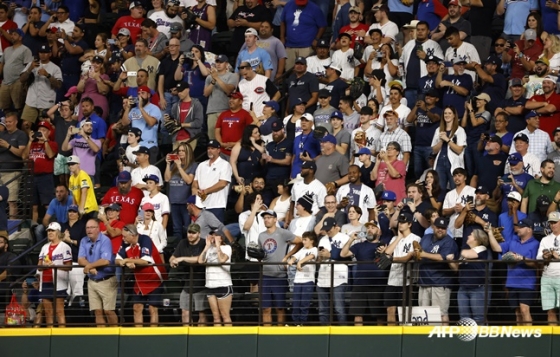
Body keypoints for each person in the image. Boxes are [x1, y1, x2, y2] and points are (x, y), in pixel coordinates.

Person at [488, 218, 539, 326]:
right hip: (512, 282)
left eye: (521, 227)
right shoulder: (513, 241)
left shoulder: (535, 244)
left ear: (529, 229)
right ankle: (520, 338)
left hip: (527, 283)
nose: (518, 229)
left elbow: (536, 264)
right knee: (517, 313)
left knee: (524, 310)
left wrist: (521, 258)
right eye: (518, 227)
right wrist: (489, 233)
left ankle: (530, 338)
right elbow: (497, 248)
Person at [116, 224, 168, 327]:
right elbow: (117, 259)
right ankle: (138, 334)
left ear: (133, 235)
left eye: (125, 236)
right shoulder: (126, 242)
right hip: (140, 280)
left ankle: (153, 334)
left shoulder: (145, 239)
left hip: (154, 278)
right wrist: (126, 263)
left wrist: (127, 260)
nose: (123, 238)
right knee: (137, 307)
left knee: (152, 308)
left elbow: (145, 261)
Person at [257, 210, 302, 325]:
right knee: (265, 308)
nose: (266, 219)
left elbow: (300, 241)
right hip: (265, 276)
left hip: (279, 276)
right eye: (265, 218)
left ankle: (279, 334)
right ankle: (267, 335)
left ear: (275, 219)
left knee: (280, 308)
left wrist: (288, 256)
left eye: (269, 217)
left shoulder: (283, 233)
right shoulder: (261, 236)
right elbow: (260, 255)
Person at [417, 217, 458, 324]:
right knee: (424, 315)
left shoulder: (449, 241)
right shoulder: (426, 238)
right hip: (424, 282)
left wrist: (424, 254)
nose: (440, 230)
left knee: (441, 314)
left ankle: (443, 338)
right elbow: (418, 253)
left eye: (443, 228)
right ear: (433, 227)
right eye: (438, 227)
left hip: (440, 283)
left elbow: (442, 258)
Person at [169, 223, 208, 325]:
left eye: (193, 233)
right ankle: (187, 334)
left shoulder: (204, 243)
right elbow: (173, 257)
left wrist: (182, 258)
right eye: (189, 232)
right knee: (185, 312)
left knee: (202, 313)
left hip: (202, 284)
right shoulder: (182, 243)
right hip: (186, 284)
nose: (191, 235)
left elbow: (200, 259)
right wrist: (173, 261)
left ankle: (200, 336)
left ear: (199, 234)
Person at [449, 228, 490, 324]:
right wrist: (450, 261)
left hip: (477, 289)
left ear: (476, 239)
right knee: (464, 319)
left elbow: (465, 253)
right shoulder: (467, 252)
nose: (468, 236)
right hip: (463, 288)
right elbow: (456, 269)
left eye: (471, 235)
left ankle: (481, 338)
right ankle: (468, 339)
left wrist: (460, 254)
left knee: (479, 319)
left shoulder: (482, 249)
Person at [20, 44, 62, 130]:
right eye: (41, 52)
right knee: (25, 125)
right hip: (31, 100)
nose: (42, 55)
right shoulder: (31, 64)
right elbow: (21, 79)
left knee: (46, 127)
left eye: (45, 52)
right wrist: (29, 69)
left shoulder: (55, 68)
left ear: (50, 54)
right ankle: (28, 143)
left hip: (46, 102)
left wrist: (48, 75)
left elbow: (59, 85)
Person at [316, 217, 350, 325]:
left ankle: (343, 335)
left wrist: (330, 255)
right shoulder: (323, 239)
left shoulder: (345, 238)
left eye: (329, 228)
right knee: (323, 310)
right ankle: (324, 334)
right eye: (326, 229)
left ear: (336, 227)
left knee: (339, 308)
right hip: (323, 277)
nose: (327, 231)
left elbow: (349, 256)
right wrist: (321, 257)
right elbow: (319, 260)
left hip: (338, 277)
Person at [23, 120, 58, 223]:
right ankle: (33, 227)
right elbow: (24, 156)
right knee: (33, 205)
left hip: (45, 176)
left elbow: (50, 155)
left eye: (44, 130)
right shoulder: (32, 144)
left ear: (49, 132)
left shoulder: (52, 143)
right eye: (39, 130)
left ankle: (52, 225)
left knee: (48, 204)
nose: (41, 132)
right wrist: (30, 141)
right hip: (32, 176)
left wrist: (45, 141)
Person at [38, 222, 72, 327]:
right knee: (48, 312)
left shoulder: (64, 247)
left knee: (59, 311)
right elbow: (39, 266)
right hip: (45, 281)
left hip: (59, 282)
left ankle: (62, 336)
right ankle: (50, 335)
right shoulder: (44, 247)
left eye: (52, 230)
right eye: (48, 231)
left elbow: (69, 266)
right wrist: (45, 266)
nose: (50, 233)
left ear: (58, 232)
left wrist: (54, 266)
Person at [198, 230, 233, 326]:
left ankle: (229, 339)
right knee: (216, 317)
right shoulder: (209, 249)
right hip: (210, 285)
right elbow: (200, 261)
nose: (213, 237)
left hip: (223, 284)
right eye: (212, 235)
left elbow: (222, 260)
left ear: (221, 238)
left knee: (225, 316)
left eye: (216, 235)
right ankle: (217, 339)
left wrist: (218, 246)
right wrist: (206, 246)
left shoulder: (227, 248)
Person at [192, 140, 233, 222]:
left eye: (212, 148)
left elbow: (223, 183)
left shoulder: (225, 164)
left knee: (215, 233)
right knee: (200, 232)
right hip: (200, 205)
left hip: (216, 204)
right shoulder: (201, 165)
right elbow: (195, 181)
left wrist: (206, 191)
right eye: (208, 148)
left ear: (218, 150)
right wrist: (194, 189)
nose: (209, 150)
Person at [120, 86, 162, 163]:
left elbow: (151, 123)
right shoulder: (134, 110)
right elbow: (124, 123)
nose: (140, 96)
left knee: (148, 172)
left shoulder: (154, 108)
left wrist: (141, 108)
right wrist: (128, 108)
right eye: (139, 94)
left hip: (150, 146)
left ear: (149, 95)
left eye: (143, 93)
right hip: (135, 147)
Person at [280, 0, 326, 70]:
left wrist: (317, 39)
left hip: (306, 46)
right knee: (289, 72)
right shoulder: (288, 5)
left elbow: (322, 25)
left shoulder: (315, 8)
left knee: (305, 71)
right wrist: (282, 37)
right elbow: (282, 21)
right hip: (289, 46)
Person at [165, 143, 197, 238]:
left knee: (187, 227)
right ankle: (177, 248)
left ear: (188, 152)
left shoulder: (193, 165)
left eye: (183, 151)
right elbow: (167, 179)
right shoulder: (173, 165)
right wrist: (168, 164)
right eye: (179, 151)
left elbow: (188, 180)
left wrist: (179, 167)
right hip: (174, 201)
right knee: (176, 228)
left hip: (185, 202)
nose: (181, 152)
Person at [432, 106, 467, 191]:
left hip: (454, 163)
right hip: (440, 162)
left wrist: (447, 140)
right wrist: (441, 141)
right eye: (445, 113)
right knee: (439, 190)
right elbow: (434, 150)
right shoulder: (438, 130)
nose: (447, 115)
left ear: (454, 115)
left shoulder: (460, 130)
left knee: (455, 189)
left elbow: (459, 150)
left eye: (449, 113)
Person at [0, 113, 28, 218]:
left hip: (12, 172)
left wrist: (7, 146)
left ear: (16, 122)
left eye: (10, 122)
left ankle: (12, 228)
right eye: (6, 122)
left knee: (11, 201)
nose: (7, 124)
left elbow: (22, 153)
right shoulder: (2, 134)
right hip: (0, 171)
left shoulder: (21, 135)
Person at [203, 54, 238, 141]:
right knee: (212, 138)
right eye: (217, 62)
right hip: (212, 111)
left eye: (221, 62)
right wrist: (213, 81)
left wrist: (217, 78)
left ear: (226, 64)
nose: (218, 64)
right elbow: (205, 93)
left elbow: (228, 90)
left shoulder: (232, 76)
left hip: (226, 110)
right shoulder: (209, 77)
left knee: (225, 137)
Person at [287, 231, 318, 325]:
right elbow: (295, 256)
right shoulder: (302, 249)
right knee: (296, 303)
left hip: (308, 280)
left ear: (312, 241)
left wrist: (300, 262)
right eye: (303, 239)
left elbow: (311, 256)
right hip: (297, 280)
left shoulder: (315, 249)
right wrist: (292, 260)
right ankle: (295, 322)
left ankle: (302, 322)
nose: (303, 242)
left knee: (304, 303)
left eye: (305, 240)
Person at [0, 28, 32, 113]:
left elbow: (28, 67)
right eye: (11, 34)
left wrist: (25, 83)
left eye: (15, 34)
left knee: (19, 107)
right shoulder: (7, 50)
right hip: (5, 82)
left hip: (17, 81)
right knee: (4, 107)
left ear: (20, 37)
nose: (12, 36)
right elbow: (2, 63)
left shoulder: (25, 50)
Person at [214, 91, 255, 157]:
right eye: (230, 98)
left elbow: (250, 132)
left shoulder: (246, 114)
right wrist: (220, 143)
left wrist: (236, 143)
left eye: (234, 99)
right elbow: (217, 130)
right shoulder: (223, 114)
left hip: (238, 150)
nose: (231, 100)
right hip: (222, 151)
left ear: (241, 102)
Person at [442, 167, 477, 244]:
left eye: (459, 175)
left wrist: (463, 209)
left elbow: (475, 209)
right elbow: (444, 212)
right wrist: (454, 209)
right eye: (454, 176)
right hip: (451, 229)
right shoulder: (449, 194)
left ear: (465, 177)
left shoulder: (472, 191)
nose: (456, 178)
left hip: (466, 229)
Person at [537, 212, 560, 324]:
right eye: (551, 223)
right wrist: (545, 257)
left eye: (555, 222)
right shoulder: (545, 240)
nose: (552, 225)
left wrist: (558, 256)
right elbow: (538, 259)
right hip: (546, 277)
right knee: (550, 311)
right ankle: (553, 339)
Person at [60, 204, 87, 300]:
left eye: (74, 211)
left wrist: (69, 240)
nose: (71, 213)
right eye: (70, 211)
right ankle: (67, 310)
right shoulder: (63, 226)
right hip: (64, 261)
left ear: (78, 214)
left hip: (77, 261)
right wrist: (63, 238)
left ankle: (77, 311)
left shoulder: (83, 226)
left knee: (77, 289)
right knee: (64, 290)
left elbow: (85, 243)